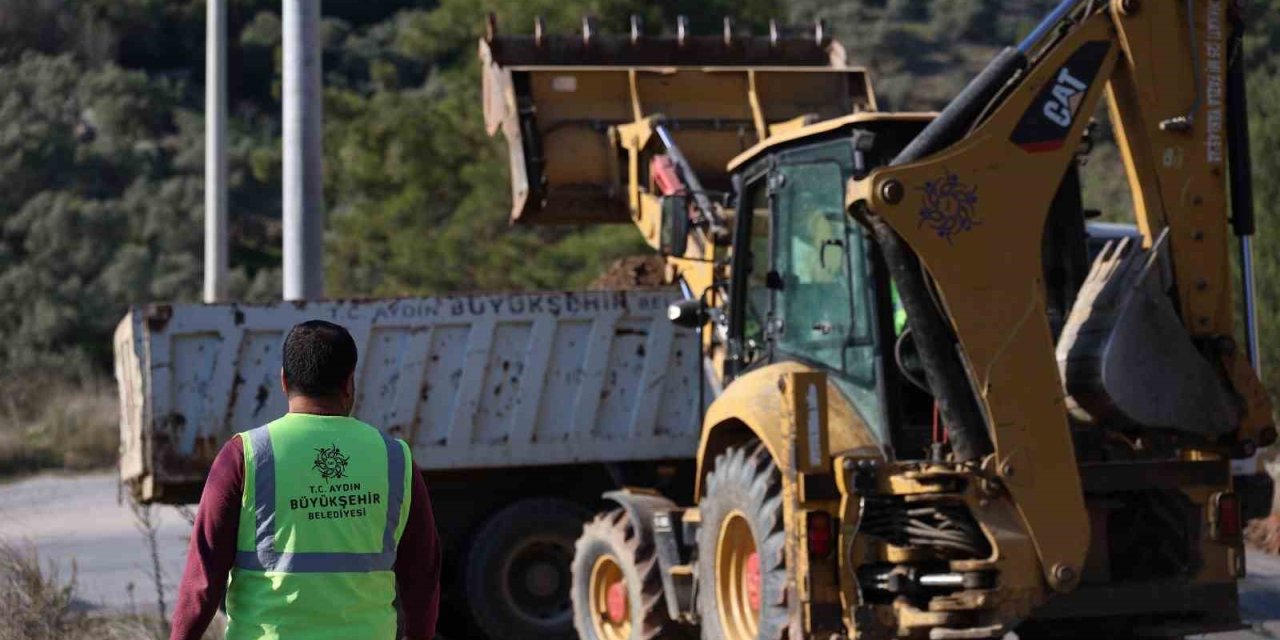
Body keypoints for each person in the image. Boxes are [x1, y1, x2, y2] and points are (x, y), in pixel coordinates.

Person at [170, 320, 441, 640]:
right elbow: (423, 576)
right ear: (349, 382)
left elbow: (203, 578)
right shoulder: (395, 458)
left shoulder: (245, 455)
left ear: (284, 381)